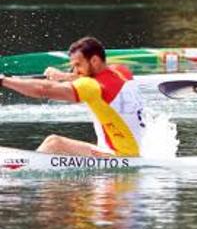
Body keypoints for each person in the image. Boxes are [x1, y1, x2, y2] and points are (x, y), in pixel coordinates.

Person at [0, 37, 147, 157]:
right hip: (133, 150)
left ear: (95, 60)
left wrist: (3, 80)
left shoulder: (91, 87)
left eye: (78, 65)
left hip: (119, 156)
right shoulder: (122, 71)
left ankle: (26, 167)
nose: (76, 70)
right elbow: (95, 78)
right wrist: (63, 76)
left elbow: (42, 89)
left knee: (54, 143)